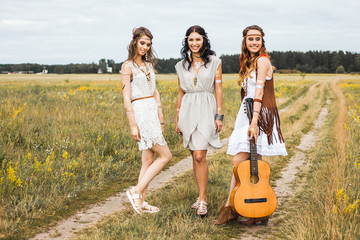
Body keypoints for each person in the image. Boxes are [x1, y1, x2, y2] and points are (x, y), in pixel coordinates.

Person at [212, 25, 287, 225]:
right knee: (255, 161)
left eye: (258, 38)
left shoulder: (262, 61)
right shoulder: (249, 61)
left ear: (263, 41)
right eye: (250, 38)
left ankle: (231, 208)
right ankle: (257, 212)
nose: (254, 42)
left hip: (259, 114)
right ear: (244, 40)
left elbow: (259, 93)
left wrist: (254, 122)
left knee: (239, 161)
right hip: (248, 112)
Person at [122, 27, 172, 214]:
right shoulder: (127, 66)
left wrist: (160, 115)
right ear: (135, 42)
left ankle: (141, 201)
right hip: (140, 111)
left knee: (148, 159)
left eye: (148, 44)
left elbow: (155, 91)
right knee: (166, 156)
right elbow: (126, 97)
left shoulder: (149, 65)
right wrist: (133, 125)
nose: (145, 47)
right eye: (142, 43)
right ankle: (135, 191)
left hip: (152, 109)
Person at [175, 25, 224, 217]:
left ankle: (203, 200)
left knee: (199, 156)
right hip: (187, 108)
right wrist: (177, 117)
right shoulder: (180, 65)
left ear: (204, 40)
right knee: (193, 155)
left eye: (198, 39)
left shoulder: (215, 62)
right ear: (187, 41)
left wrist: (219, 115)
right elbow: (180, 92)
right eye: (191, 40)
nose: (194, 43)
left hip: (206, 107)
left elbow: (218, 90)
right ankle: (200, 195)